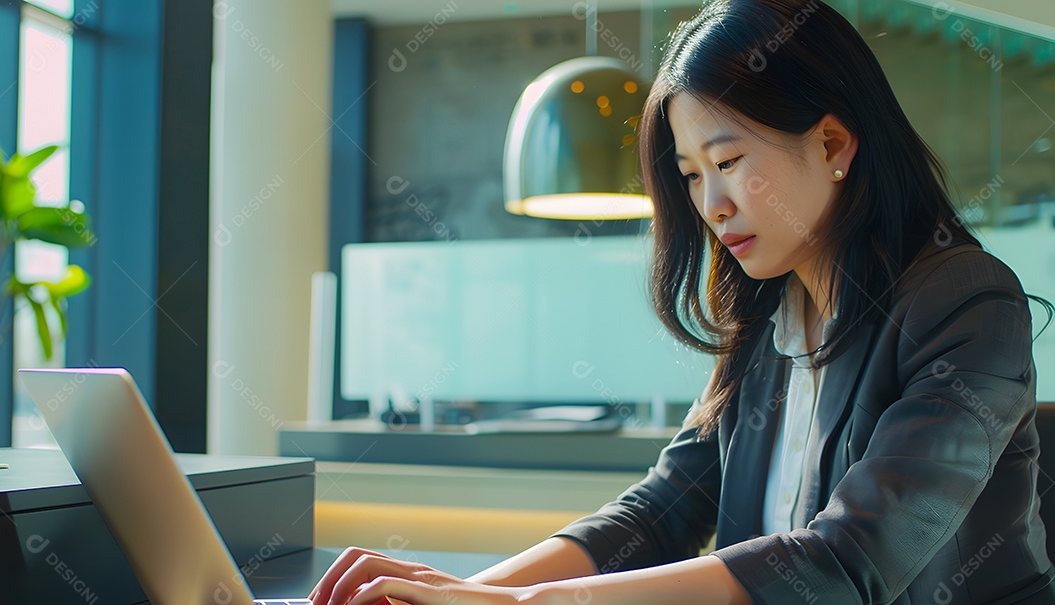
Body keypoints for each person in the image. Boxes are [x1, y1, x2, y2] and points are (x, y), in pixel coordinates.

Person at [309, 0, 1055, 603]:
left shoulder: (970, 304)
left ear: (832, 143)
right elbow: (659, 512)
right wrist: (462, 591)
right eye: (692, 174)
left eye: (728, 160)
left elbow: (848, 560)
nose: (712, 204)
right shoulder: (769, 315)